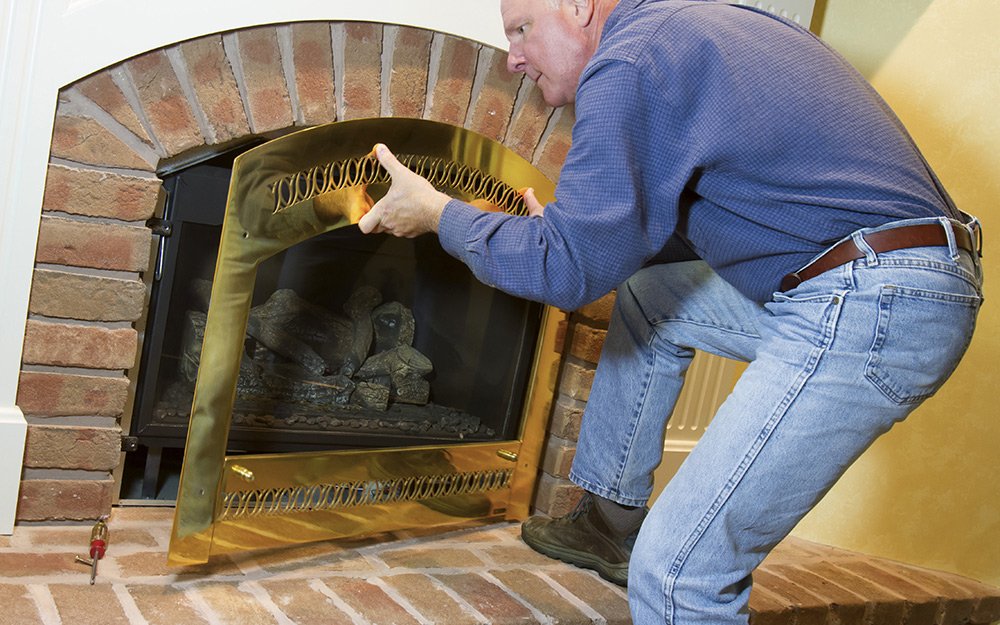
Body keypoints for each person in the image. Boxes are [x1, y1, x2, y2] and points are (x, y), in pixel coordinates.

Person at [358, 0, 984, 622]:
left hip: (870, 303)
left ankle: (646, 553)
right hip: (904, 282)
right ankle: (610, 520)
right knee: (652, 300)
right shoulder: (694, 29)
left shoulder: (629, 59)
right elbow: (665, 239)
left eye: (523, 28)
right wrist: (580, 238)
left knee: (680, 574)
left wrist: (441, 215)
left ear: (579, 9)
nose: (514, 57)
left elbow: (566, 273)